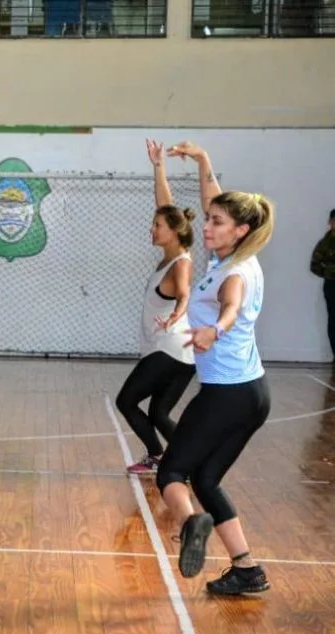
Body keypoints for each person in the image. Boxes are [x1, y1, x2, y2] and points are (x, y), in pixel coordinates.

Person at [159, 141, 274, 596]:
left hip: (227, 393)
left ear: (240, 230)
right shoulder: (232, 255)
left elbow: (231, 305)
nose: (207, 224)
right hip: (252, 393)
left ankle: (192, 526)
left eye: (216, 222)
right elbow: (214, 200)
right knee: (206, 478)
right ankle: (247, 569)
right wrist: (204, 162)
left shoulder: (236, 273)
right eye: (208, 218)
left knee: (172, 474)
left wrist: (216, 330)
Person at [116, 139, 197, 475]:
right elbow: (167, 207)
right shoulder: (172, 255)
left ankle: (158, 456)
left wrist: (179, 312)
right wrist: (159, 166)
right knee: (159, 414)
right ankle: (187, 463)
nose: (152, 229)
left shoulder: (180, 263)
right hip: (181, 353)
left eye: (157, 227)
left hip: (170, 348)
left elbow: (184, 292)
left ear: (174, 232)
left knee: (126, 401)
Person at [309, 208, 335, 360]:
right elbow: (315, 265)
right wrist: (329, 273)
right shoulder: (326, 243)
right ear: (330, 222)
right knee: (333, 320)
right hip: (332, 285)